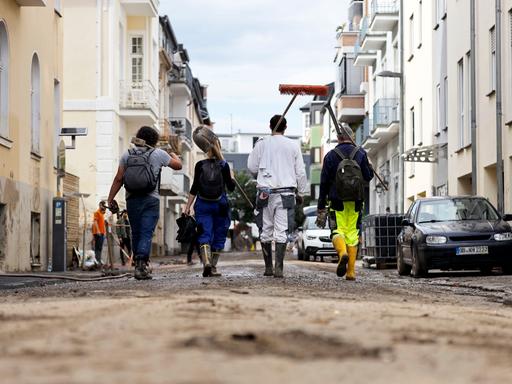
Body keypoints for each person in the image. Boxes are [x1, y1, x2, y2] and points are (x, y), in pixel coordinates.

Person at [107, 126, 182, 280]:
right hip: (151, 199)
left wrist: (110, 199)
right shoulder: (158, 154)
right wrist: (173, 154)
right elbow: (178, 165)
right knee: (146, 232)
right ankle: (141, 265)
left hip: (132, 199)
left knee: (136, 232)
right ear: (154, 140)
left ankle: (138, 264)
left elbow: (118, 179)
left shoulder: (127, 154)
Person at [247, 115, 307, 278]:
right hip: (286, 194)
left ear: (270, 126)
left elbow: (251, 166)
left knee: (265, 229)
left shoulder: (261, 144)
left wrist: (261, 171)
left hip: (265, 193)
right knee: (281, 231)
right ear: (285, 128)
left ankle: (268, 268)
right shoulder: (293, 146)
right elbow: (300, 172)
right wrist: (301, 192)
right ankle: (279, 268)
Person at [316, 125, 374, 281]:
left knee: (337, 231)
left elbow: (324, 183)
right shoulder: (360, 153)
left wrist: (321, 205)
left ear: (338, 138)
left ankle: (342, 254)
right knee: (353, 235)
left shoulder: (330, 156)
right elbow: (368, 177)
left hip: (336, 201)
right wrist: (369, 166)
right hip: (356, 201)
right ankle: (351, 272)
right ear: (352, 136)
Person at [184, 136, 235, 277]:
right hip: (221, 205)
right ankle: (212, 266)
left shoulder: (200, 165)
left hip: (202, 204)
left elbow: (194, 187)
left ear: (206, 150)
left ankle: (205, 262)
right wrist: (232, 178)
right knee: (219, 235)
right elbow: (231, 188)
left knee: (204, 233)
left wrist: (188, 206)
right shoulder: (224, 165)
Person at [92, 201, 107, 266]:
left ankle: (98, 261)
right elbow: (95, 222)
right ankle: (97, 261)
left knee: (100, 247)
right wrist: (98, 230)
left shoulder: (102, 214)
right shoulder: (97, 213)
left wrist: (104, 232)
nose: (104, 207)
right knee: (98, 247)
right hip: (98, 233)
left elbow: (102, 224)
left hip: (102, 232)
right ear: (100, 205)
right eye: (103, 205)